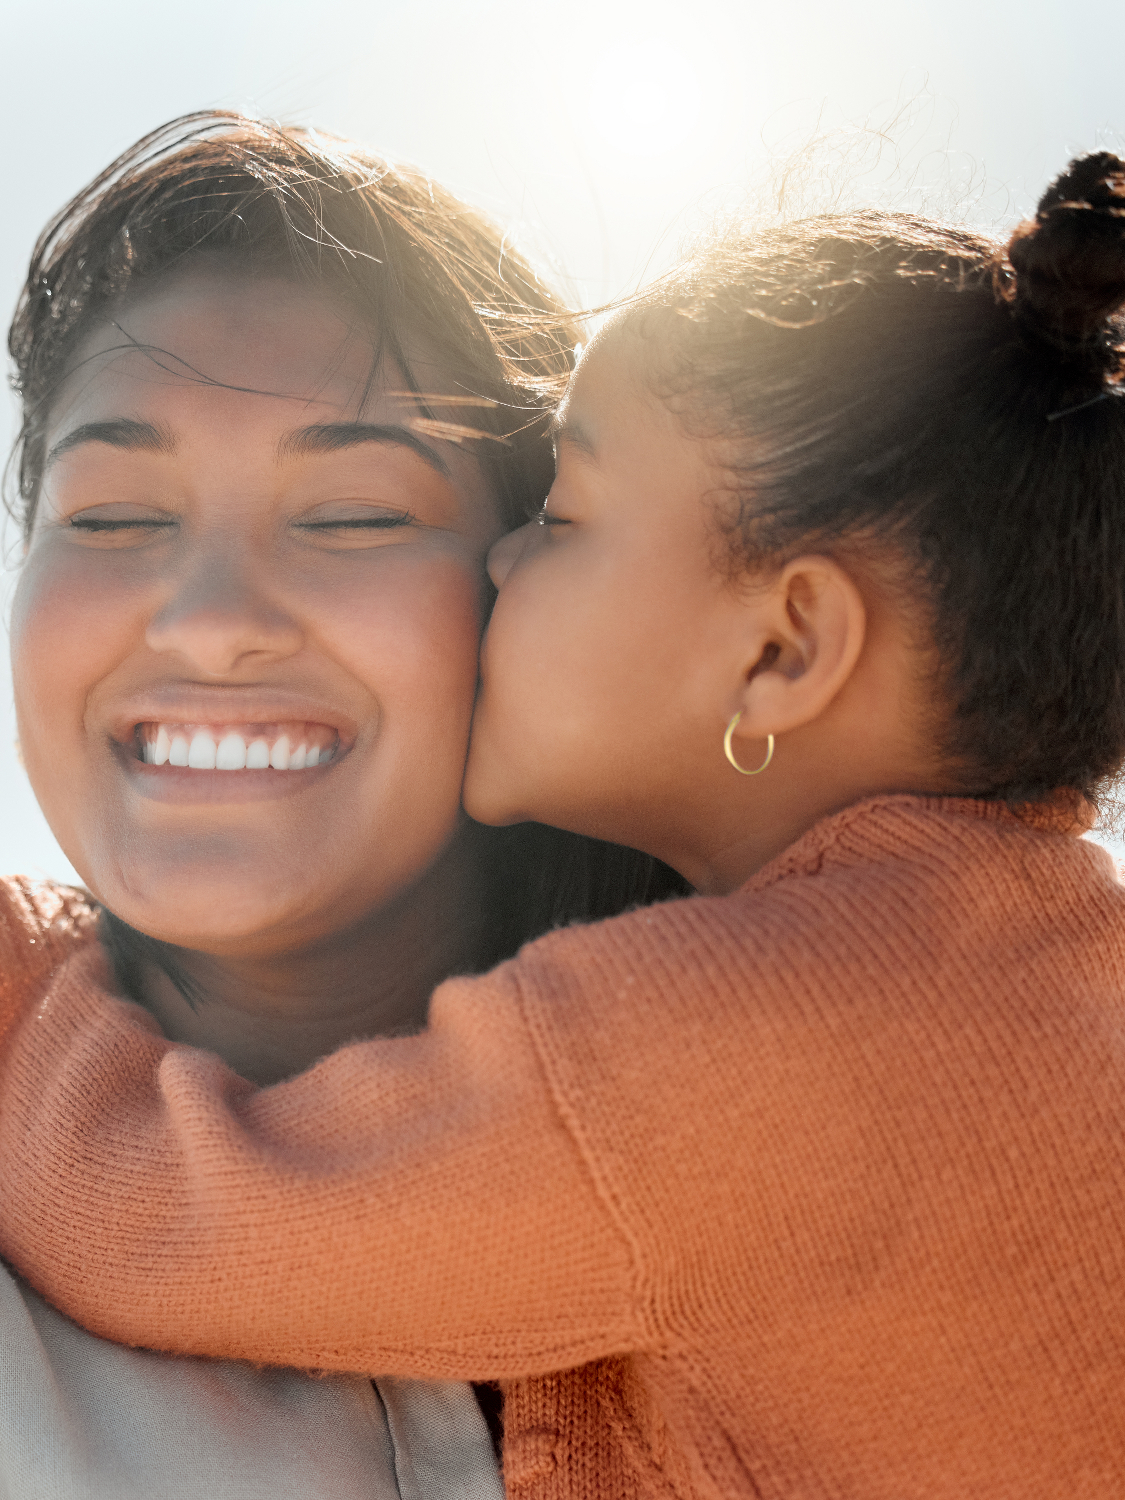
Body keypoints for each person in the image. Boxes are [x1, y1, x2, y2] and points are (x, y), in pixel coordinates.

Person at [3, 151, 1125, 1499]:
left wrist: (24, 986)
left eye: (557, 518)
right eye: (112, 512)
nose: (211, 619)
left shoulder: (717, 1064)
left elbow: (164, 1218)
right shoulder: (1045, 961)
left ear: (782, 650)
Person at [0, 111, 683, 1499]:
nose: (208, 624)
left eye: (354, 516)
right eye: (114, 518)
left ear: (533, 590)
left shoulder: (862, 1141)